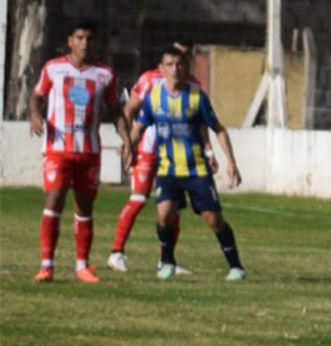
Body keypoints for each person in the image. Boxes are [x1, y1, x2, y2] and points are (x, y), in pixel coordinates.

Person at [128, 47, 245, 281]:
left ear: (186, 67)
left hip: (196, 169)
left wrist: (231, 161)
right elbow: (139, 127)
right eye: (169, 65)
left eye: (179, 64)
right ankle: (167, 262)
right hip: (167, 169)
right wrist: (129, 148)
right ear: (161, 69)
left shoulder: (197, 97)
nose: (175, 69)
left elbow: (218, 129)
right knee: (164, 214)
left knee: (213, 219)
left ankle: (236, 267)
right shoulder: (153, 98)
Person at [29, 19, 131, 283]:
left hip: (89, 152)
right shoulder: (53, 68)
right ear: (70, 41)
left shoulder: (105, 74)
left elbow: (115, 109)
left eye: (90, 38)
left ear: (95, 42)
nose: (85, 42)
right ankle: (46, 265)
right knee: (54, 200)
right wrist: (35, 115)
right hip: (57, 149)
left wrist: (127, 139)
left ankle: (82, 266)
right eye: (80, 37)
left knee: (84, 206)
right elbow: (36, 95)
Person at [108, 38, 208, 275]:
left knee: (174, 209)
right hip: (147, 149)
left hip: (176, 155)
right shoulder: (149, 79)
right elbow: (130, 109)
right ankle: (116, 253)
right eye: (173, 59)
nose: (177, 65)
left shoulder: (193, 85)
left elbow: (200, 121)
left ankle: (167, 260)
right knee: (139, 198)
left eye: (183, 58)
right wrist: (128, 143)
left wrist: (206, 150)